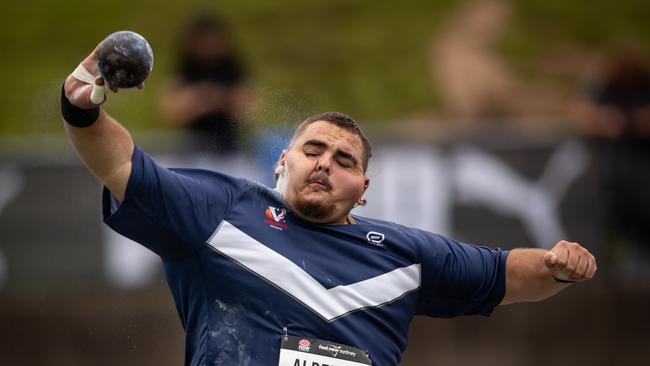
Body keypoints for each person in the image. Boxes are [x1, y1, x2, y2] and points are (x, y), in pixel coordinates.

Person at [62, 41, 597, 366]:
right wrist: (83, 101)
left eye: (345, 161)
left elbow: (508, 275)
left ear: (364, 188)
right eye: (312, 150)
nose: (324, 164)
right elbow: (119, 166)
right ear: (282, 162)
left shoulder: (402, 253)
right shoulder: (221, 211)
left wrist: (559, 265)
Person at [159, 14, 250, 153]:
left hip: (229, 146)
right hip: (193, 145)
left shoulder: (232, 68)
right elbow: (170, 110)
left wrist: (219, 99)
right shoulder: (186, 68)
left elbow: (248, 107)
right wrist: (201, 101)